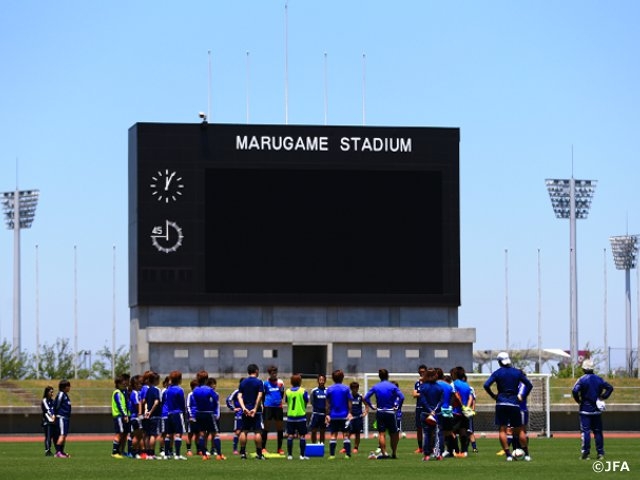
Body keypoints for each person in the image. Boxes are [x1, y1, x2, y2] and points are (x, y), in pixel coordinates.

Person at [483, 352, 533, 462]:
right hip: (514, 403)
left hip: (501, 403)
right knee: (519, 430)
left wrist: (493, 396)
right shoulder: (517, 372)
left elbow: (486, 385)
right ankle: (527, 455)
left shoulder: (497, 373)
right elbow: (529, 385)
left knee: (502, 429)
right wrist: (523, 396)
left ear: (499, 362)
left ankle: (508, 455)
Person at [572, 358, 614, 460]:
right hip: (596, 410)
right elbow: (610, 387)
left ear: (584, 369)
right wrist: (603, 397)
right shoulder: (599, 379)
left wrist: (578, 400)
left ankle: (586, 453)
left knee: (585, 432)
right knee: (598, 432)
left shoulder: (582, 379)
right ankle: (600, 453)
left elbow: (574, 391)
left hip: (585, 410)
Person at [363, 368, 405, 459]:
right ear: (387, 376)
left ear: (379, 376)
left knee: (381, 433)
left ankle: (384, 453)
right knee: (393, 433)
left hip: (380, 411)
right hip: (390, 412)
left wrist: (371, 406)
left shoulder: (376, 386)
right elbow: (402, 397)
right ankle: (394, 453)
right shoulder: (392, 386)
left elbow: (366, 398)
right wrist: (398, 407)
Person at [237, 363, 266, 460]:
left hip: (245, 411)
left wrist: (244, 408)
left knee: (244, 431)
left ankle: (242, 453)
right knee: (257, 431)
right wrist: (255, 408)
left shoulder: (243, 382)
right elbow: (260, 395)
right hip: (256, 411)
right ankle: (259, 454)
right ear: (256, 371)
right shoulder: (259, 382)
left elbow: (239, 396)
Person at [325, 369, 353, 459]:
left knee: (333, 435)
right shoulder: (346, 388)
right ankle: (347, 454)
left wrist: (327, 414)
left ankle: (332, 455)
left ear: (333, 378)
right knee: (346, 435)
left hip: (333, 416)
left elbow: (327, 403)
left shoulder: (329, 389)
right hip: (344, 416)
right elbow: (349, 402)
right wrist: (350, 413)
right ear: (342, 377)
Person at [418, 368, 444, 461]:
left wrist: (429, 410)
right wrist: (435, 410)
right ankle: (438, 454)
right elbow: (441, 401)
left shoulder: (423, 387)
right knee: (438, 434)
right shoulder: (440, 387)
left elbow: (423, 400)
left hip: (425, 413)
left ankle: (426, 455)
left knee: (426, 434)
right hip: (437, 413)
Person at [283, 373, 309, 460]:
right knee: (302, 436)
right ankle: (302, 455)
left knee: (290, 436)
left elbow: (287, 401)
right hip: (301, 416)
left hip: (291, 417)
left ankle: (290, 455)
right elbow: (306, 401)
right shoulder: (303, 391)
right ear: (299, 381)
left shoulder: (288, 391)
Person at [164, 370, 188, 460]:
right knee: (178, 434)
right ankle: (177, 454)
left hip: (169, 413)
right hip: (177, 413)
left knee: (168, 434)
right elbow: (182, 403)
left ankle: (167, 454)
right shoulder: (179, 389)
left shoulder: (168, 390)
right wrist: (184, 412)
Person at [262, 365, 285, 454]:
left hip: (278, 407)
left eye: (275, 372)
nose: (274, 374)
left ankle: (279, 448)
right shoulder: (265, 383)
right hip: (268, 407)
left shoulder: (280, 383)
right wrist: (264, 404)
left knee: (279, 428)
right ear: (269, 373)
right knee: (266, 427)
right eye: (272, 373)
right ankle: (263, 448)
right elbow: (263, 396)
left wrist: (278, 401)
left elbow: (282, 393)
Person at [142, 371, 162, 459]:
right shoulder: (156, 389)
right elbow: (156, 402)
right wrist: (151, 411)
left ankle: (147, 453)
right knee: (153, 435)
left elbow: (144, 402)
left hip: (148, 416)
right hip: (155, 415)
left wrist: (146, 410)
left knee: (147, 434)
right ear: (155, 380)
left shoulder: (148, 389)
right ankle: (151, 454)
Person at [111, 375, 130, 458]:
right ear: (118, 384)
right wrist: (124, 415)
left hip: (125, 415)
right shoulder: (117, 393)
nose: (125, 384)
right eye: (123, 383)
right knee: (119, 433)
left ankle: (122, 451)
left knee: (125, 434)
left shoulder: (124, 391)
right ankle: (115, 452)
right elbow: (120, 405)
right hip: (119, 416)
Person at [53, 379, 72, 458]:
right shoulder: (61, 394)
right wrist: (55, 415)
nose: (70, 388)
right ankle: (58, 452)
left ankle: (61, 451)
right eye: (68, 386)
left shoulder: (65, 395)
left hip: (66, 418)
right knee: (62, 435)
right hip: (61, 418)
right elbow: (56, 405)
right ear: (65, 387)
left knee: (64, 435)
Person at [347, 381, 367, 453]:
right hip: (350, 418)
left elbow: (366, 404)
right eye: (353, 388)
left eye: (356, 388)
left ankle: (356, 448)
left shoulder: (360, 396)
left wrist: (365, 412)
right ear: (351, 389)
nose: (355, 389)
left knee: (357, 433)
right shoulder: (348, 396)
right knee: (348, 433)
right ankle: (346, 447)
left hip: (358, 418)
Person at [412, 364, 428, 454]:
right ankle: (420, 448)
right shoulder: (417, 383)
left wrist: (420, 393)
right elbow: (414, 394)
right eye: (420, 372)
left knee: (428, 428)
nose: (422, 373)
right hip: (419, 408)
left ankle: (429, 447)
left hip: (427, 408)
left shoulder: (429, 383)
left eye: (423, 371)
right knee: (419, 428)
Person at [226, 378, 244, 455]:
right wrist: (233, 408)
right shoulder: (237, 391)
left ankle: (242, 450)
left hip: (246, 414)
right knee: (238, 432)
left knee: (244, 432)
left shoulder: (247, 392)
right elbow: (228, 399)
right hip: (239, 414)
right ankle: (235, 449)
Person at [309, 374, 327, 444]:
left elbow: (329, 401)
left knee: (322, 431)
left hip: (324, 414)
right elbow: (312, 401)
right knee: (313, 430)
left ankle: (321, 445)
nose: (321, 381)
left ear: (325, 381)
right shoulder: (314, 391)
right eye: (320, 380)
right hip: (316, 414)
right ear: (318, 381)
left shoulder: (327, 391)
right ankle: (314, 444)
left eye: (323, 380)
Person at [41, 386, 56, 457]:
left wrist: (54, 416)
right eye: (51, 392)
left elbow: (53, 409)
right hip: (47, 421)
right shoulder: (44, 400)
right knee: (48, 436)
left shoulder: (52, 401)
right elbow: (47, 409)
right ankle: (47, 450)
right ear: (47, 392)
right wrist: (51, 416)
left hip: (52, 420)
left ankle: (51, 450)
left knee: (53, 437)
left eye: (53, 392)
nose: (52, 393)